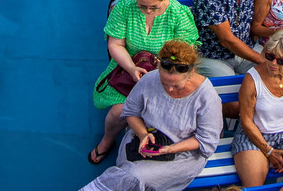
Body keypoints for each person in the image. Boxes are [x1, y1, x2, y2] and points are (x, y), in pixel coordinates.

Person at [80, 39, 221, 191]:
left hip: (182, 154)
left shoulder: (207, 97)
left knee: (133, 175)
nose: (170, 90)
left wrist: (171, 149)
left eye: (176, 85)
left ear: (191, 73)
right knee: (131, 175)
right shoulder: (149, 79)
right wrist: (142, 134)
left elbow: (206, 141)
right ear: (159, 68)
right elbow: (131, 112)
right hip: (143, 142)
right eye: (165, 83)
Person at [88, 0, 203, 163]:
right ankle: (107, 139)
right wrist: (132, 68)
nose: (148, 11)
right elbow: (115, 45)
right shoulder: (124, 8)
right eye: (142, 6)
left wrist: (162, 74)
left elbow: (184, 54)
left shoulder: (179, 14)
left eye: (154, 7)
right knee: (119, 111)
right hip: (128, 67)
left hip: (167, 71)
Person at [233, 28, 283, 189]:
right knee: (254, 187)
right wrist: (269, 151)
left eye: (281, 61)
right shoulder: (252, 79)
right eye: (270, 57)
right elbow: (246, 121)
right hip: (255, 137)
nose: (273, 63)